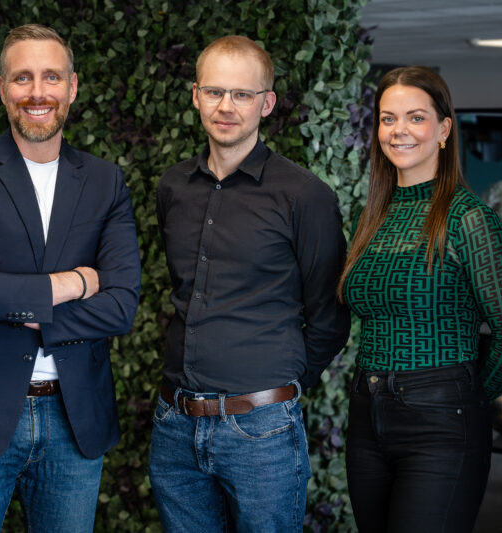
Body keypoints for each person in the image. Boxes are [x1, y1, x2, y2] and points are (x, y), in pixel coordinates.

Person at [0, 24, 141, 532]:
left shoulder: (106, 181)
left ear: (73, 87)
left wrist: (7, 290)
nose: (37, 92)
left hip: (74, 421)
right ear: (3, 89)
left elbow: (121, 306)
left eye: (51, 77)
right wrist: (79, 281)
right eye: (22, 78)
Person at [150, 35, 351, 532]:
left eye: (242, 94)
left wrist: (278, 389)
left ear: (267, 103)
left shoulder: (304, 196)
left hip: (261, 428)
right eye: (214, 91)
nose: (226, 106)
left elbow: (329, 316)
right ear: (196, 96)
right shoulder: (173, 187)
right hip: (174, 424)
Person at [339, 66, 502, 533]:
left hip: (441, 423)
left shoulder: (469, 219)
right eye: (388, 119)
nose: (399, 130)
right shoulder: (371, 217)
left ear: (444, 129)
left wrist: (463, 399)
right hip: (367, 416)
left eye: (416, 117)